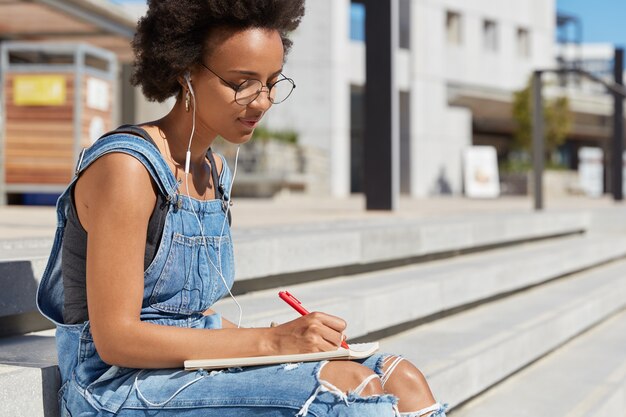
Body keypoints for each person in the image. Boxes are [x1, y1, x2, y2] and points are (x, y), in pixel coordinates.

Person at [37, 1, 447, 416]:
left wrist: (291, 338)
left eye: (271, 82)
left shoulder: (212, 170)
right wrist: (272, 343)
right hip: (114, 386)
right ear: (185, 71)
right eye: (242, 83)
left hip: (187, 369)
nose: (263, 101)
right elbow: (117, 339)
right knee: (344, 390)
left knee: (403, 378)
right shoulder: (126, 167)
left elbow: (186, 315)